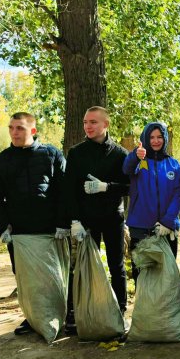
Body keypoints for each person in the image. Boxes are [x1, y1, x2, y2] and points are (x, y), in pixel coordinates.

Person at [0, 112, 69, 336]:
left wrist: (63, 224)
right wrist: (2, 228)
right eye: (11, 128)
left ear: (32, 130)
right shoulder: (2, 160)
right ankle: (33, 318)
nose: (14, 133)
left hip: (51, 231)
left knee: (55, 275)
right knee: (26, 279)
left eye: (20, 128)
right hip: (19, 234)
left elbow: (65, 192)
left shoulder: (51, 155)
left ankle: (64, 314)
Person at [62, 106, 130, 318]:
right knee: (81, 265)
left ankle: (120, 308)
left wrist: (106, 186)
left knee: (116, 265)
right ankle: (76, 311)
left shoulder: (120, 154)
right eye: (85, 122)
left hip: (113, 217)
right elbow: (69, 190)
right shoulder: (76, 153)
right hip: (87, 219)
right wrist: (75, 221)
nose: (88, 126)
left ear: (105, 125)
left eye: (93, 122)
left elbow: (129, 187)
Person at [122, 121, 180, 268]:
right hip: (140, 228)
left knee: (167, 274)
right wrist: (136, 156)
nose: (156, 141)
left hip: (167, 229)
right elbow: (127, 169)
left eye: (159, 137)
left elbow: (179, 195)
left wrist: (168, 222)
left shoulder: (174, 165)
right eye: (151, 137)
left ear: (165, 139)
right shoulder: (139, 161)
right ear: (145, 139)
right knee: (142, 275)